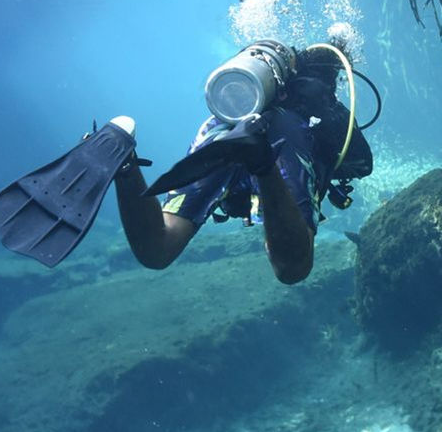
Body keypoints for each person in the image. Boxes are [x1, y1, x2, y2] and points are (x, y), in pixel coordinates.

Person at [117, 44, 372, 284]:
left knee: (158, 250)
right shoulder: (317, 111)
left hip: (223, 125)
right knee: (292, 268)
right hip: (282, 136)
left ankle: (122, 156)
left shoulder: (252, 98)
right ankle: (260, 161)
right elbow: (361, 163)